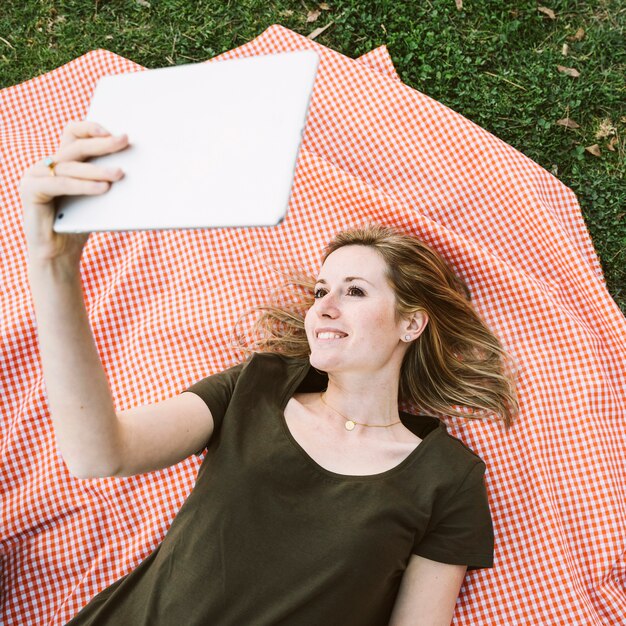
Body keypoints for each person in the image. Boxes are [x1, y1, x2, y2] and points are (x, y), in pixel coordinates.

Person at [19, 121, 517, 626]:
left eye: (355, 291)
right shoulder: (253, 387)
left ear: (411, 323)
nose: (323, 307)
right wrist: (53, 265)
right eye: (321, 291)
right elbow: (98, 453)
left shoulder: (447, 479)